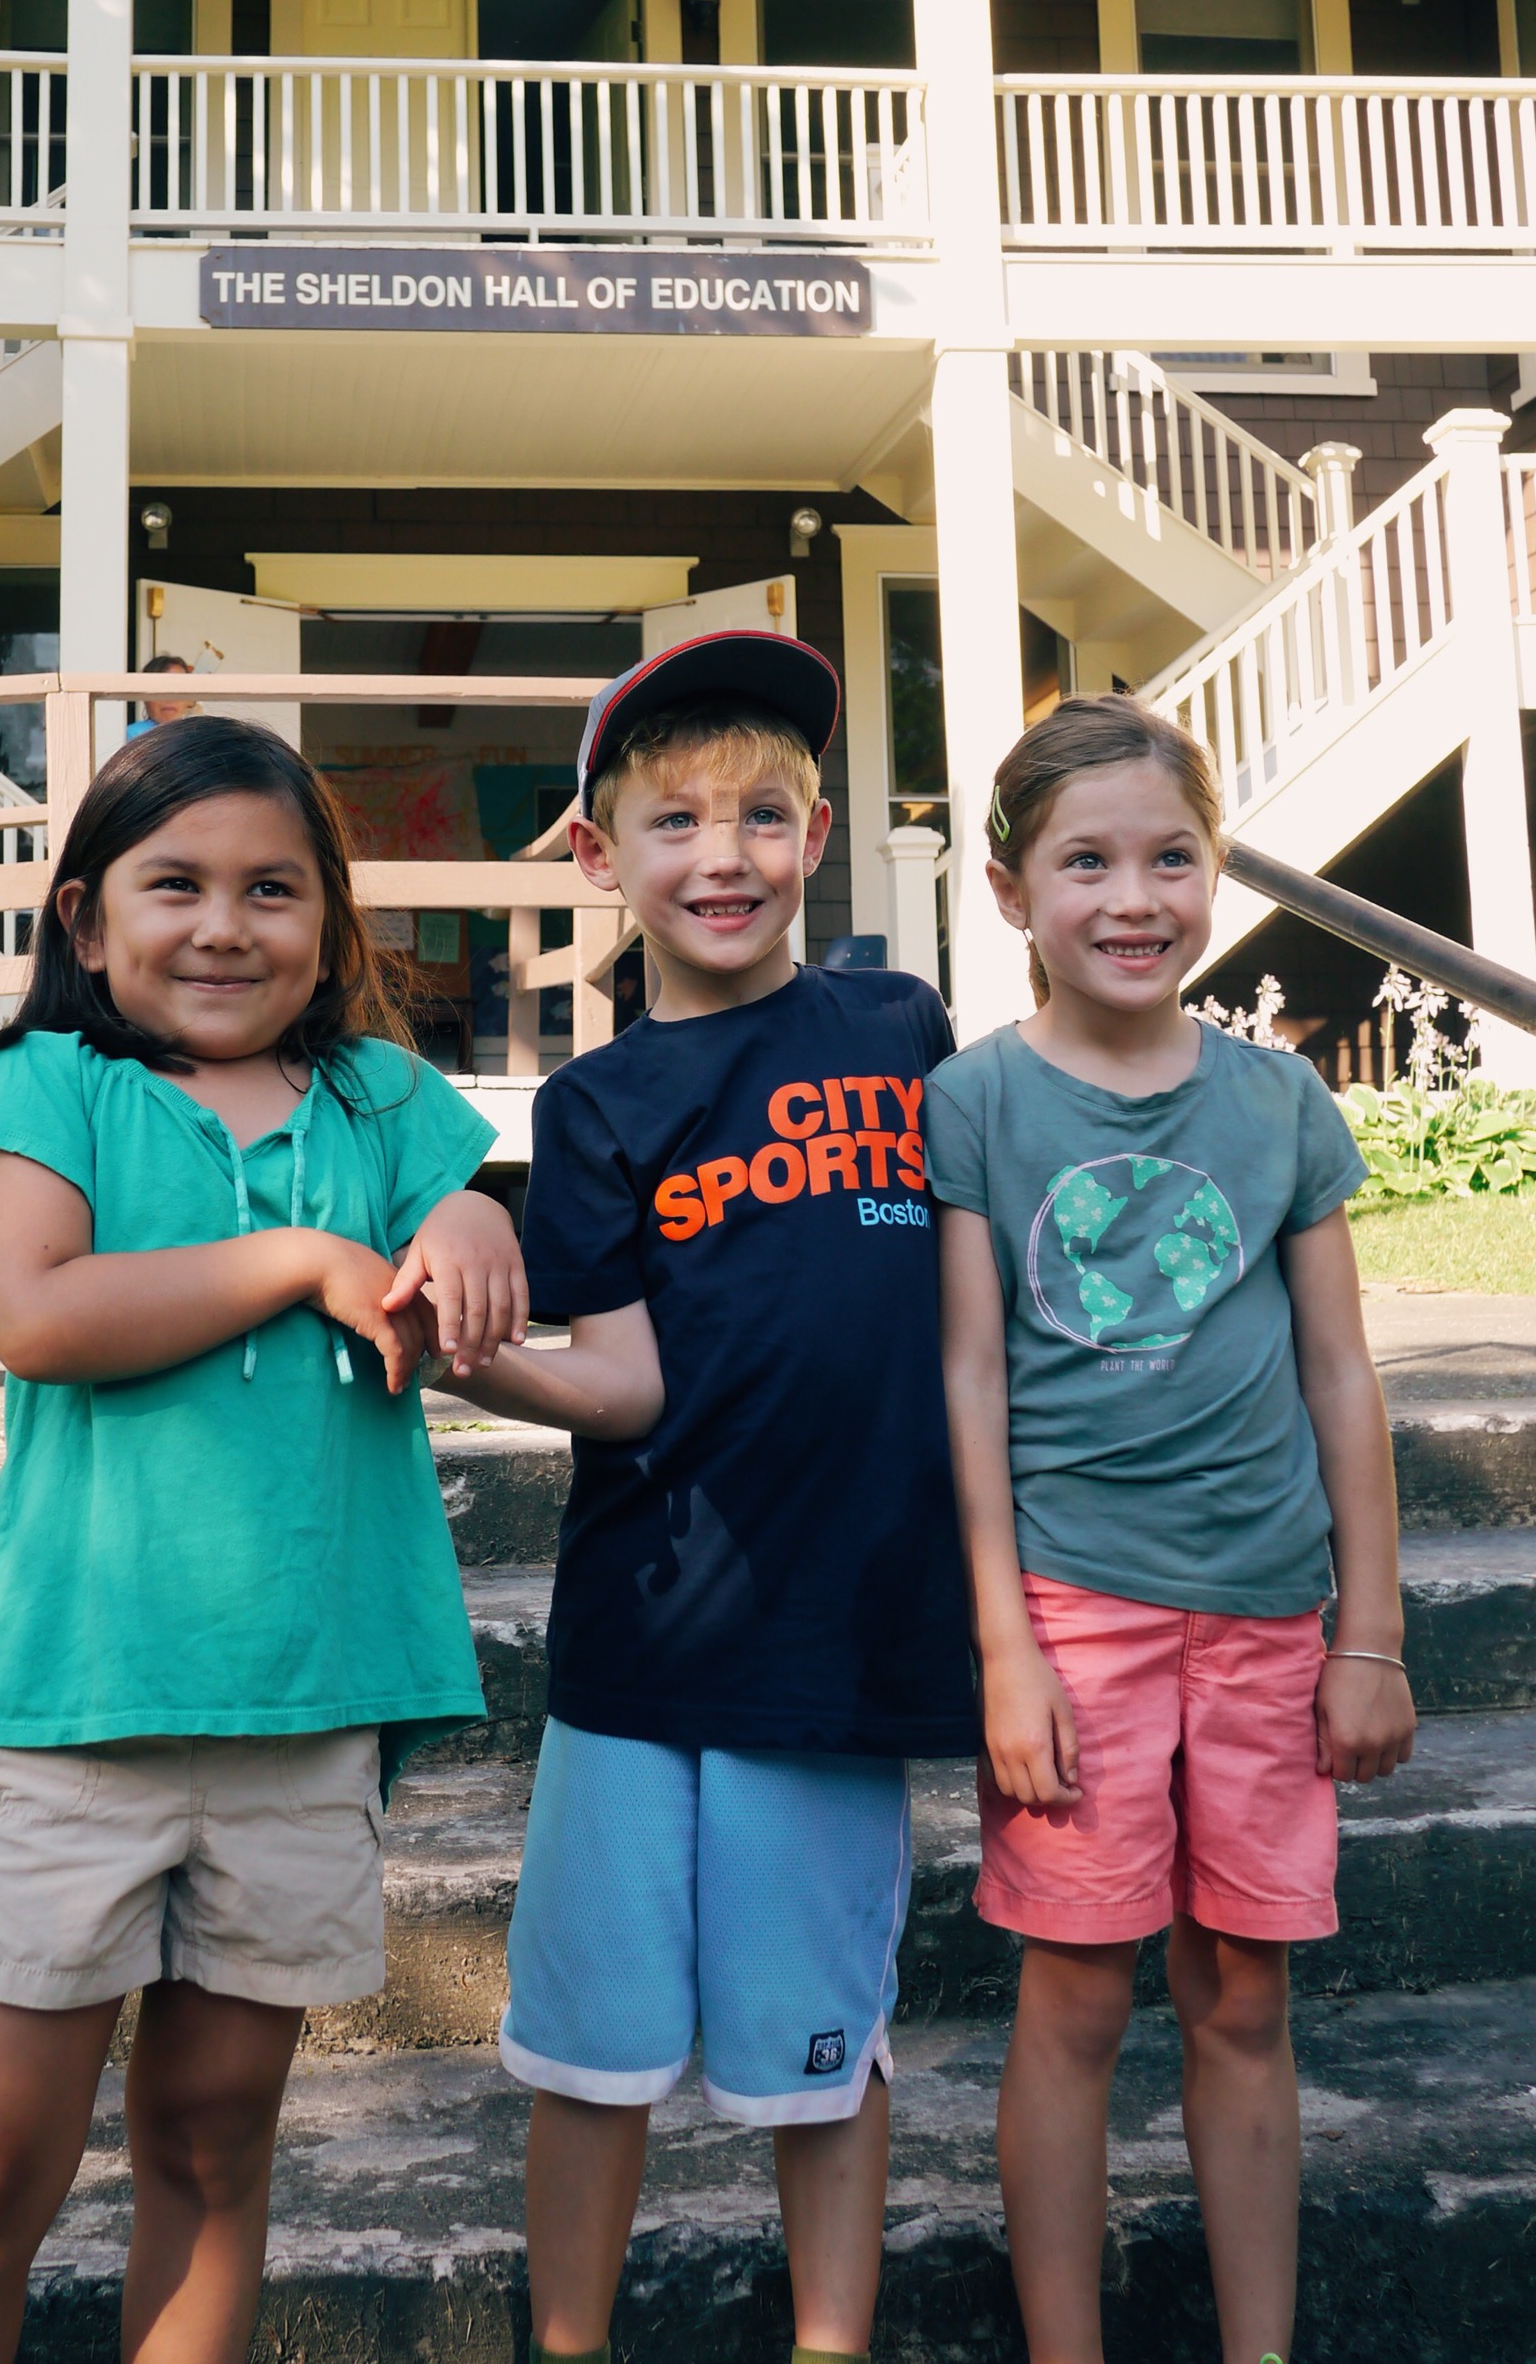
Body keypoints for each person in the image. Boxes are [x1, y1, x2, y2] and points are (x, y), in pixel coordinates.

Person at [0, 712, 528, 2364]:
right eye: (175, 885)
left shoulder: (380, 1099)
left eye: (272, 890)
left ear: (331, 926)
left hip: (299, 1708)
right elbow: (38, 1309)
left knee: (213, 2149)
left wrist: (459, 1214)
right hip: (76, 1716)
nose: (225, 925)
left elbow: (473, 1206)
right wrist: (307, 1261)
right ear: (87, 922)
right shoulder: (45, 1089)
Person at [439, 629, 978, 2364]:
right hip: (640, 1643)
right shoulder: (594, 1105)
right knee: (591, 2057)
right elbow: (626, 1383)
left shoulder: (902, 1029)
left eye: (761, 814)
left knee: (820, 2065)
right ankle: (568, 2345)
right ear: (603, 858)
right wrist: (474, 1363)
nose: (721, 855)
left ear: (818, 837)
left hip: (839, 1648)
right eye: (672, 823)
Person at [927, 694, 1416, 2364]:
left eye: (1171, 858)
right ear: (1010, 891)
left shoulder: (1276, 1102)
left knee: (1241, 1994)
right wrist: (1004, 1649)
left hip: (1274, 1619)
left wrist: (1371, 1633)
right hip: (1075, 1618)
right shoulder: (974, 1101)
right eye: (1085, 862)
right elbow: (966, 1373)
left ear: (1213, 876)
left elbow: (1340, 1372)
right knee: (1070, 1999)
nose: (1132, 898)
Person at [126, 649, 198, 736]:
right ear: (145, 697)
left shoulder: (197, 734)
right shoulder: (132, 735)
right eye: (160, 690)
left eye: (177, 689)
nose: (169, 699)